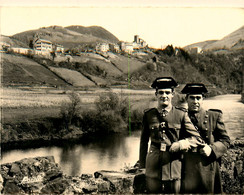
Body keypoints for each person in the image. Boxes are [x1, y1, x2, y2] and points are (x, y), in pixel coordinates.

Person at [139, 77, 203, 194]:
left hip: (173, 165)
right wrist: (142, 166)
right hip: (153, 166)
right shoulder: (149, 115)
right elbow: (143, 142)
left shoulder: (180, 114)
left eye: (167, 92)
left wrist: (181, 144)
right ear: (156, 94)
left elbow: (198, 139)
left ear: (173, 94)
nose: (164, 95)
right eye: (161, 92)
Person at [181, 83, 230, 194]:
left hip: (208, 168)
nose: (195, 101)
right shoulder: (180, 117)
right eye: (192, 98)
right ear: (186, 99)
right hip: (187, 169)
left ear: (203, 99)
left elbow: (225, 140)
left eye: (198, 98)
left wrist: (212, 149)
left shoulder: (214, 116)